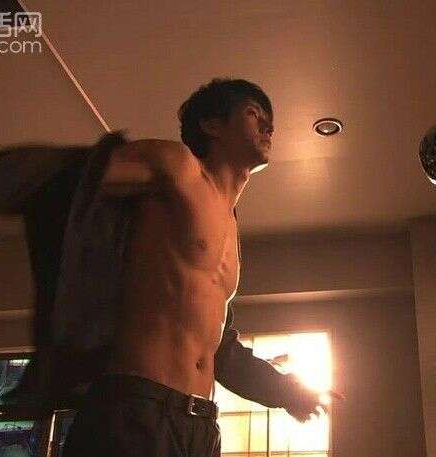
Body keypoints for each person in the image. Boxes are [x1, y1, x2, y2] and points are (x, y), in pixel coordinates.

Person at [62, 78, 331, 457]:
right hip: (138, 411)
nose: (269, 127)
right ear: (212, 124)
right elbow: (69, 177)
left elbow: (218, 346)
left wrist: (285, 391)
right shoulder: (179, 168)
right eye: (254, 113)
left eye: (270, 121)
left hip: (201, 427)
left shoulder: (230, 225)